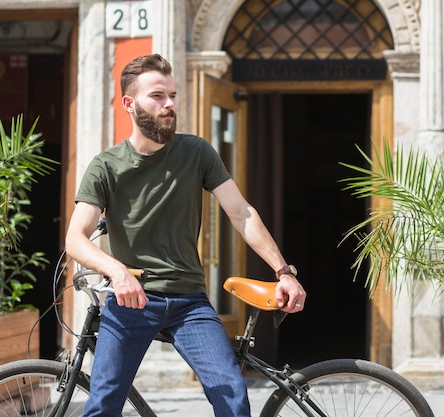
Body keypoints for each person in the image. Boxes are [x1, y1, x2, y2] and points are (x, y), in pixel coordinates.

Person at [65, 53, 306, 417]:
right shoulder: (107, 166)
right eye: (158, 96)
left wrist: (283, 271)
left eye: (172, 95)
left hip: (188, 302)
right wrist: (118, 272)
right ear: (129, 104)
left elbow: (242, 213)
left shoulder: (196, 152)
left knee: (233, 398)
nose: (169, 105)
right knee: (103, 404)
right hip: (131, 301)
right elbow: (76, 239)